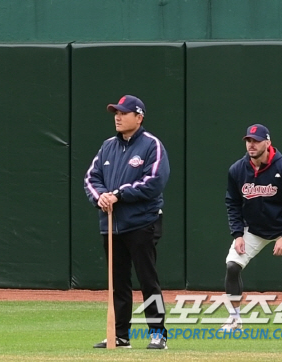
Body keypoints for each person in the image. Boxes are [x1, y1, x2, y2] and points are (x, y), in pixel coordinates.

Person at [84, 95, 170, 349]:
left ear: (139, 116)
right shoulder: (108, 146)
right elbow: (91, 177)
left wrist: (119, 194)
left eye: (123, 113)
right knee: (118, 282)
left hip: (142, 223)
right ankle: (120, 335)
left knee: (147, 280)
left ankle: (158, 333)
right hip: (111, 224)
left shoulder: (151, 145)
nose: (118, 117)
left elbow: (154, 181)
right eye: (115, 113)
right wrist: (100, 197)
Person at [222, 124, 282, 333]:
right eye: (248, 140)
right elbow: (233, 203)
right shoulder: (237, 170)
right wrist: (238, 234)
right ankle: (234, 318)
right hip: (253, 229)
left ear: (268, 143)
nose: (251, 145)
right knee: (232, 266)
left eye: (256, 141)